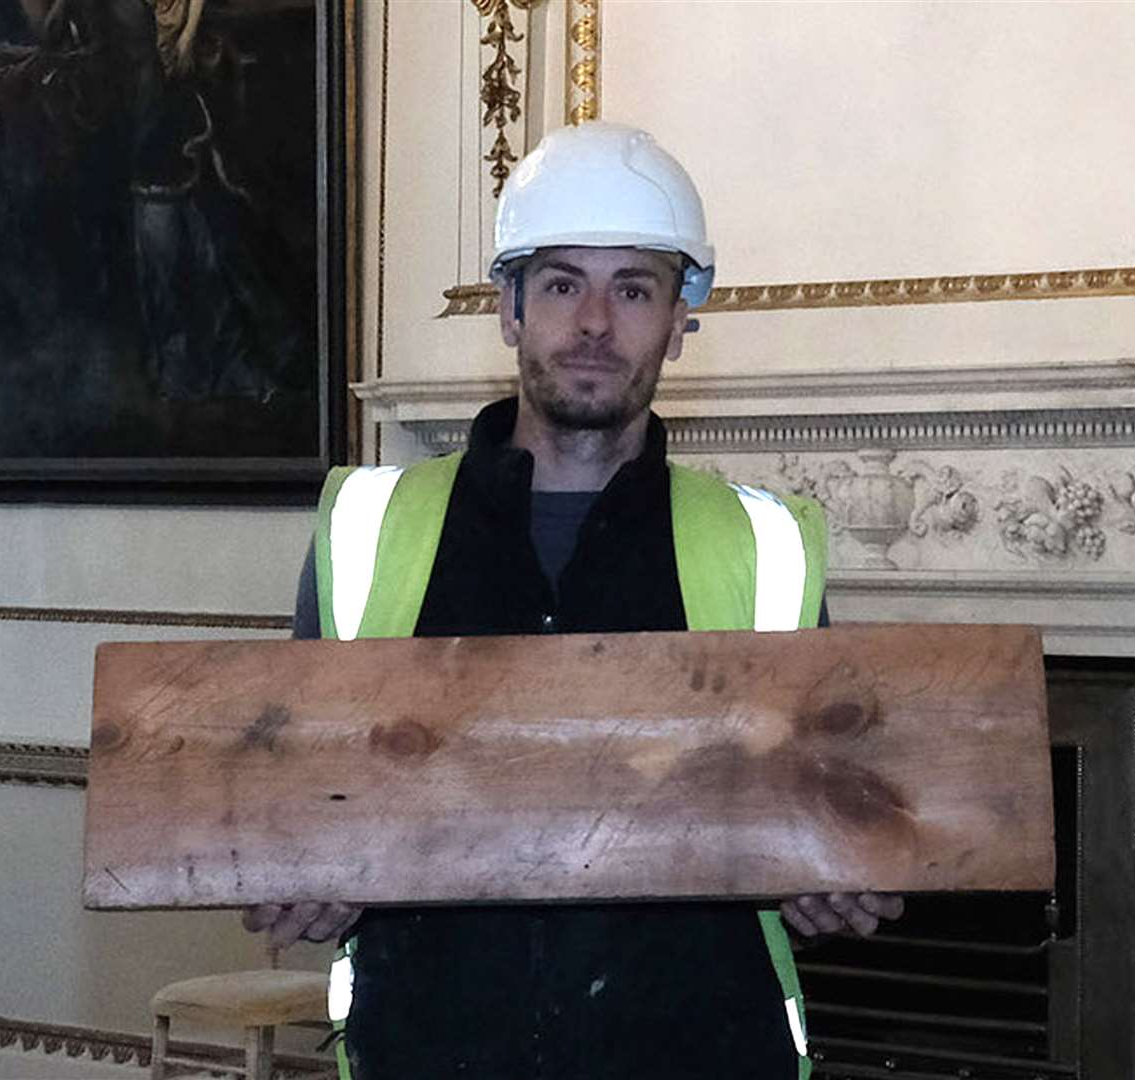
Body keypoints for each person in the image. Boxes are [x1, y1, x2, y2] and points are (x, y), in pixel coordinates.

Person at [244, 121, 901, 1079]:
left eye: (633, 288)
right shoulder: (366, 526)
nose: (594, 323)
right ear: (509, 308)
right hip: (429, 1053)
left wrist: (838, 872)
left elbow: (824, 800)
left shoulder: (762, 542)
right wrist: (299, 873)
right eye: (561, 284)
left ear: (681, 319)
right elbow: (292, 792)